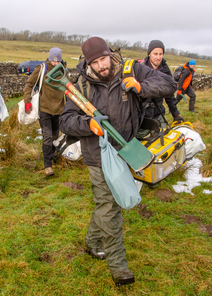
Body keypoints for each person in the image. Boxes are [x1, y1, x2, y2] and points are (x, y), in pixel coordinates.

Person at [59, 37, 176, 286]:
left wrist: (141, 86)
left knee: (106, 203)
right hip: (97, 155)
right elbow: (65, 121)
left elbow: (167, 83)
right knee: (110, 207)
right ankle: (119, 267)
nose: (101, 66)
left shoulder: (130, 68)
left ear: (109, 54)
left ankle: (92, 242)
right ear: (87, 63)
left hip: (126, 151)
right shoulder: (80, 84)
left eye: (103, 59)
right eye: (95, 63)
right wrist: (88, 124)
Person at [23, 47, 65, 176]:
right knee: (47, 137)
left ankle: (52, 156)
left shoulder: (63, 70)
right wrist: (27, 100)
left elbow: (67, 87)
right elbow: (29, 84)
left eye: (58, 61)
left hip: (59, 109)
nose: (56, 63)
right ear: (50, 58)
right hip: (44, 108)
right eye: (54, 61)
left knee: (54, 136)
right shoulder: (41, 69)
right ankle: (48, 165)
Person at [139, 40, 183, 129]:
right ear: (149, 54)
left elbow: (169, 95)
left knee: (161, 140)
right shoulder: (140, 69)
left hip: (158, 114)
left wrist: (176, 114)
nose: (158, 57)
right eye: (155, 54)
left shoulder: (166, 70)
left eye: (160, 54)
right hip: (142, 115)